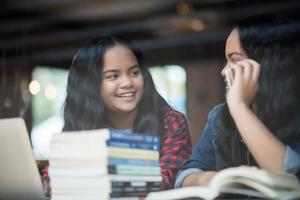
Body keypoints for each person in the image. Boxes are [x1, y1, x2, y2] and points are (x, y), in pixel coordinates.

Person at [43, 35, 192, 191]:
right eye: (113, 76)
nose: (127, 83)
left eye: (134, 73)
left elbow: (166, 180)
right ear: (91, 85)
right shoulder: (83, 125)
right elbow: (54, 176)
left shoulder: (171, 122)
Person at [175, 16, 300, 188]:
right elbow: (186, 174)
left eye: (235, 60)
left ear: (267, 63)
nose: (224, 71)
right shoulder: (219, 117)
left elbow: (292, 181)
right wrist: (211, 179)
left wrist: (239, 106)